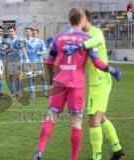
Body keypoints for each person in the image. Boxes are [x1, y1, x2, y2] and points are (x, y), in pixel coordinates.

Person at [33, 7, 121, 160]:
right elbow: (97, 62)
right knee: (76, 122)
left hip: (59, 82)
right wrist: (112, 70)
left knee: (51, 117)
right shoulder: (86, 38)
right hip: (76, 85)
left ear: (69, 19)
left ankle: (40, 151)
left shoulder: (59, 37)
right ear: (81, 19)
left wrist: (51, 76)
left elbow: (49, 60)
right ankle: (73, 158)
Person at [62, 9, 125, 160]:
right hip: (98, 81)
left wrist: (78, 47)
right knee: (101, 117)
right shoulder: (84, 36)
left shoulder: (96, 32)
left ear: (84, 18)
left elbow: (95, 41)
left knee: (93, 119)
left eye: (77, 20)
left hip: (100, 82)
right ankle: (117, 149)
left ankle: (96, 157)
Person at [5, 26, 30, 99]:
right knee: (11, 78)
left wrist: (27, 59)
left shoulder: (19, 39)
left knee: (18, 77)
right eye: (9, 31)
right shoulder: (7, 41)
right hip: (10, 61)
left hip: (18, 61)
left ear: (14, 31)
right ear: (8, 32)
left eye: (12, 31)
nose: (11, 33)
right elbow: (5, 51)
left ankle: (18, 90)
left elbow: (23, 49)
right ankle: (13, 94)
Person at [23, 27, 39, 99]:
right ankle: (32, 94)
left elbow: (32, 46)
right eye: (26, 31)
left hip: (34, 61)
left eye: (28, 31)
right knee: (29, 77)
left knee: (33, 78)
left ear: (31, 33)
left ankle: (33, 92)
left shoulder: (35, 40)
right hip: (26, 61)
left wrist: (25, 41)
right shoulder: (23, 40)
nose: (27, 33)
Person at [32, 28, 48, 97]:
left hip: (39, 62)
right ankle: (33, 93)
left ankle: (45, 92)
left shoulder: (41, 42)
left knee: (43, 77)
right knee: (32, 78)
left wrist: (40, 52)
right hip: (32, 63)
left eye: (34, 33)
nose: (33, 34)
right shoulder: (29, 42)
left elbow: (44, 50)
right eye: (32, 33)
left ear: (37, 34)